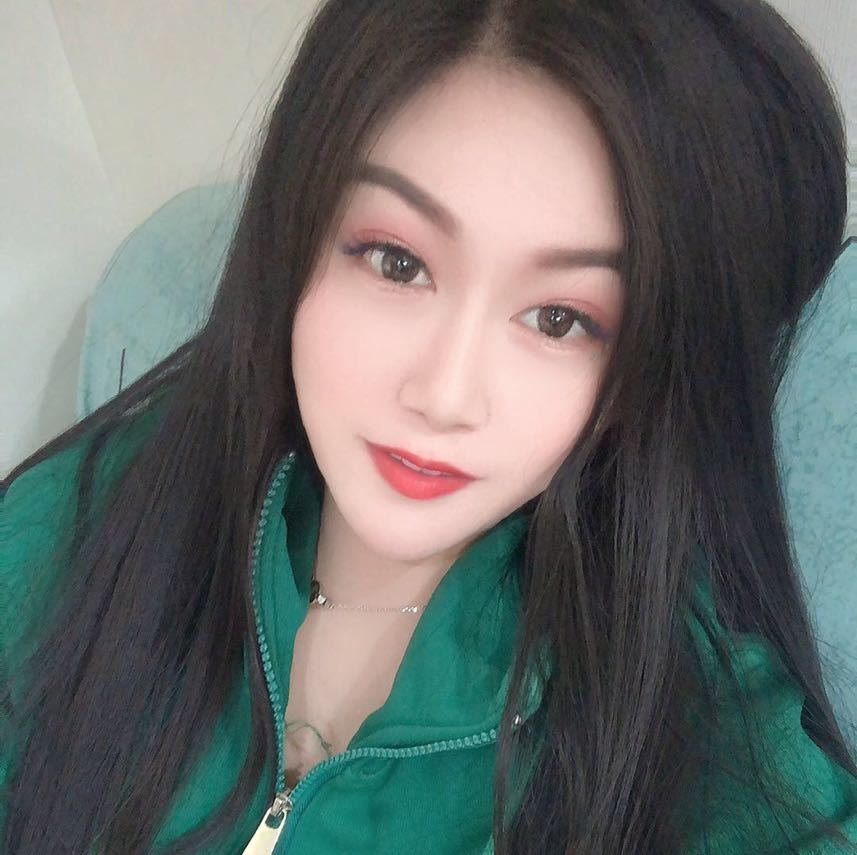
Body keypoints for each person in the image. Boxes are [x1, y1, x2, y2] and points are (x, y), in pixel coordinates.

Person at [2, 0, 856, 852]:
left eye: (559, 319)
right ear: (296, 233)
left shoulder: (702, 736)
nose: (444, 395)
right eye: (397, 262)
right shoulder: (79, 529)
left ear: (644, 373)